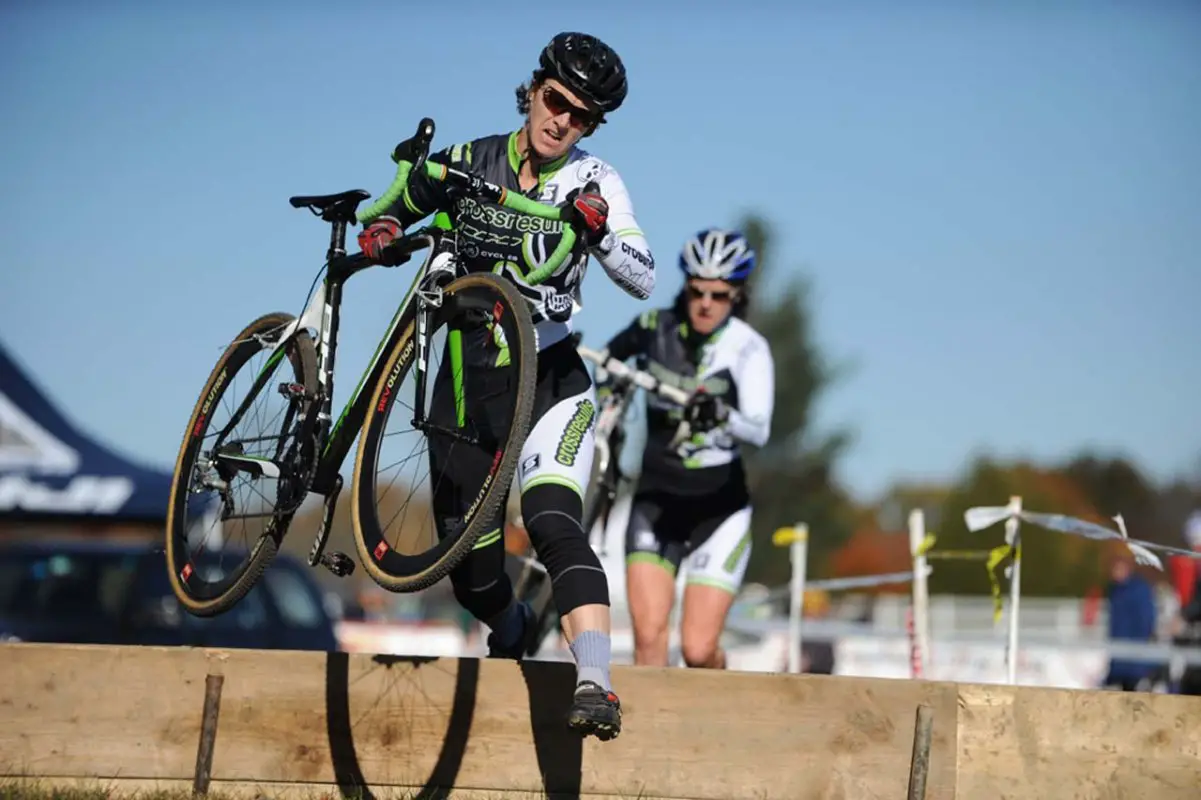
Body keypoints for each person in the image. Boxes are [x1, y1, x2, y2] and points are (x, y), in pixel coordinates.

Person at [356, 31, 655, 740]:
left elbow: (643, 275)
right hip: (465, 393)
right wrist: (384, 228)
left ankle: (596, 685)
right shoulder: (471, 160)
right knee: (473, 575)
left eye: (580, 117)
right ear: (533, 89)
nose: (562, 122)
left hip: (550, 379)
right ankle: (514, 624)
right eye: (556, 102)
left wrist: (602, 232)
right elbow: (398, 204)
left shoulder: (595, 179)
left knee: (554, 522)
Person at [592, 227, 774, 669]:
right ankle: (642, 739)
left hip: (719, 508)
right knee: (650, 642)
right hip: (657, 500)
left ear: (737, 297)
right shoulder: (656, 329)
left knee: (696, 649)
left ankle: (719, 689)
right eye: (696, 292)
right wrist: (610, 383)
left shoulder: (747, 349)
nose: (706, 304)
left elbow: (760, 430)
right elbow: (604, 362)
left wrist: (722, 415)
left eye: (719, 294)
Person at [1100, 550, 1160, 692]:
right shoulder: (1115, 590)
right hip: (1118, 657)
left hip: (1135, 658)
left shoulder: (1138, 590)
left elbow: (1146, 620)